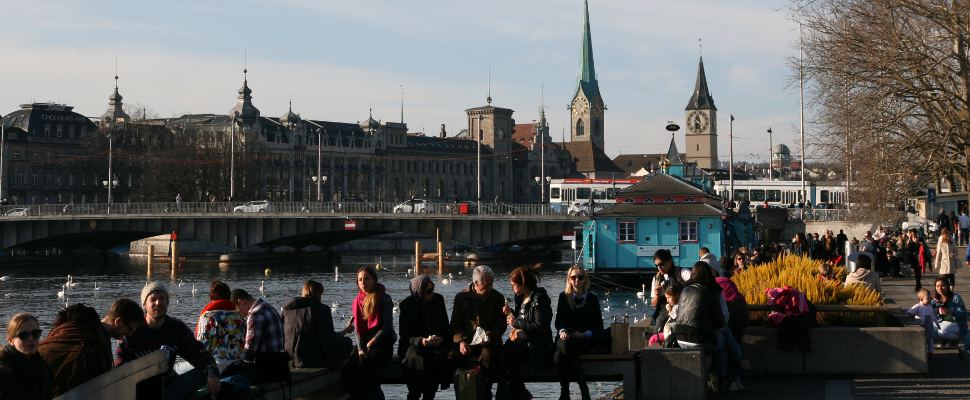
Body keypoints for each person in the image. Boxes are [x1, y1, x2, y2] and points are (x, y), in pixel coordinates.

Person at [116, 282, 222, 399]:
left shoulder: (176, 328)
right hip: (139, 389)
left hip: (169, 386)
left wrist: (212, 375)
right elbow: (120, 368)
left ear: (167, 302)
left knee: (205, 373)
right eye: (153, 299)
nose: (158, 303)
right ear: (144, 305)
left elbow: (199, 354)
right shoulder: (133, 330)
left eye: (162, 299)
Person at [39, 300, 144, 396]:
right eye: (130, 329)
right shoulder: (94, 349)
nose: (129, 334)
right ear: (118, 321)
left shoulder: (75, 329)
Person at [450, 265, 507, 398]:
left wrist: (490, 335)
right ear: (476, 283)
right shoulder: (461, 297)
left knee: (489, 356)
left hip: (488, 342)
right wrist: (461, 341)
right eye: (487, 285)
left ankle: (484, 391)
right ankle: (462, 391)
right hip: (467, 341)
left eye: (492, 283)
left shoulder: (497, 297)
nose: (490, 287)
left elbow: (501, 324)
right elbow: (454, 325)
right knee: (452, 356)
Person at [500, 265, 553, 400]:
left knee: (506, 354)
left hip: (536, 345)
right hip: (522, 341)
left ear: (523, 284)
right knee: (502, 352)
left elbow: (540, 326)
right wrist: (511, 314)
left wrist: (515, 323)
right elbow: (522, 318)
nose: (513, 288)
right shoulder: (520, 298)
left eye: (514, 285)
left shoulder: (539, 299)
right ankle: (518, 391)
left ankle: (520, 391)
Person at [674, 262, 727, 391]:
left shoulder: (685, 290)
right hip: (699, 340)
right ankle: (721, 379)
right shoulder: (711, 292)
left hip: (680, 338)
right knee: (722, 341)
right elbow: (720, 322)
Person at [345, 266, 396, 400]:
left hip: (382, 342)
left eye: (367, 279)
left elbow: (387, 327)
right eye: (360, 280)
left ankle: (375, 396)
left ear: (374, 280)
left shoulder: (384, 298)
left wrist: (370, 343)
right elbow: (359, 330)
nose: (363, 282)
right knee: (350, 364)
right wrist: (361, 350)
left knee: (366, 365)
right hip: (364, 342)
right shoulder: (357, 301)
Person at [554, 266, 603, 400]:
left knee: (559, 356)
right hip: (566, 336)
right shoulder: (563, 297)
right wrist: (562, 330)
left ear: (584, 279)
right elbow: (559, 321)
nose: (577, 280)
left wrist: (584, 334)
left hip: (583, 338)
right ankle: (582, 386)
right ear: (569, 280)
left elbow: (599, 325)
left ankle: (565, 392)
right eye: (574, 277)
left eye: (580, 277)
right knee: (563, 348)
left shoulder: (592, 298)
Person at [398, 275, 450, 400]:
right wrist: (421, 341)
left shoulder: (438, 300)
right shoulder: (406, 305)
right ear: (418, 292)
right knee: (415, 358)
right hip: (413, 344)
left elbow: (445, 326)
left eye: (433, 289)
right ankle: (414, 394)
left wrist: (441, 338)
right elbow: (405, 334)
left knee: (437, 357)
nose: (432, 293)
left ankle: (429, 395)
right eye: (428, 291)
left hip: (436, 344)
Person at [282, 280, 352, 369]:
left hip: (290, 359)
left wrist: (345, 330)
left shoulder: (287, 310)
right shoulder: (321, 309)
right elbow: (329, 339)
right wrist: (345, 332)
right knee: (347, 342)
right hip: (311, 360)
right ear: (318, 293)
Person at [0, 313, 52, 400]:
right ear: (10, 340)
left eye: (36, 333)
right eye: (24, 335)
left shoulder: (44, 368)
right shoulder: (3, 372)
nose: (31, 338)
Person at [197, 281, 245, 372]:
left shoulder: (207, 318)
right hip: (239, 366)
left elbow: (201, 346)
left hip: (216, 369)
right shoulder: (240, 317)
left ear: (210, 298)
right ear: (229, 297)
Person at [933, 277, 970, 358]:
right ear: (935, 287)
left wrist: (951, 312)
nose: (940, 288)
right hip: (942, 323)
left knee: (942, 332)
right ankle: (933, 347)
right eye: (938, 286)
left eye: (943, 285)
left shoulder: (956, 297)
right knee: (930, 328)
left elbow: (963, 313)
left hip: (956, 323)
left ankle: (956, 338)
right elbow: (929, 309)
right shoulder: (935, 299)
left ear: (948, 286)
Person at [651, 249, 686, 331]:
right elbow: (654, 304)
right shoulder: (656, 279)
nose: (659, 268)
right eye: (656, 265)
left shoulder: (682, 272)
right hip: (663, 315)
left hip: (682, 312)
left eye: (661, 264)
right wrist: (656, 295)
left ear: (669, 261)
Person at [906, 288, 937, 354]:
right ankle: (922, 351)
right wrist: (910, 313)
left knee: (930, 339)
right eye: (927, 298)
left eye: (930, 298)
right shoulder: (918, 306)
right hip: (921, 325)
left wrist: (937, 323)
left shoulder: (930, 307)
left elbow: (933, 315)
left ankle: (930, 351)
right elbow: (911, 311)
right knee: (923, 339)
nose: (929, 300)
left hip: (929, 325)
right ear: (921, 299)